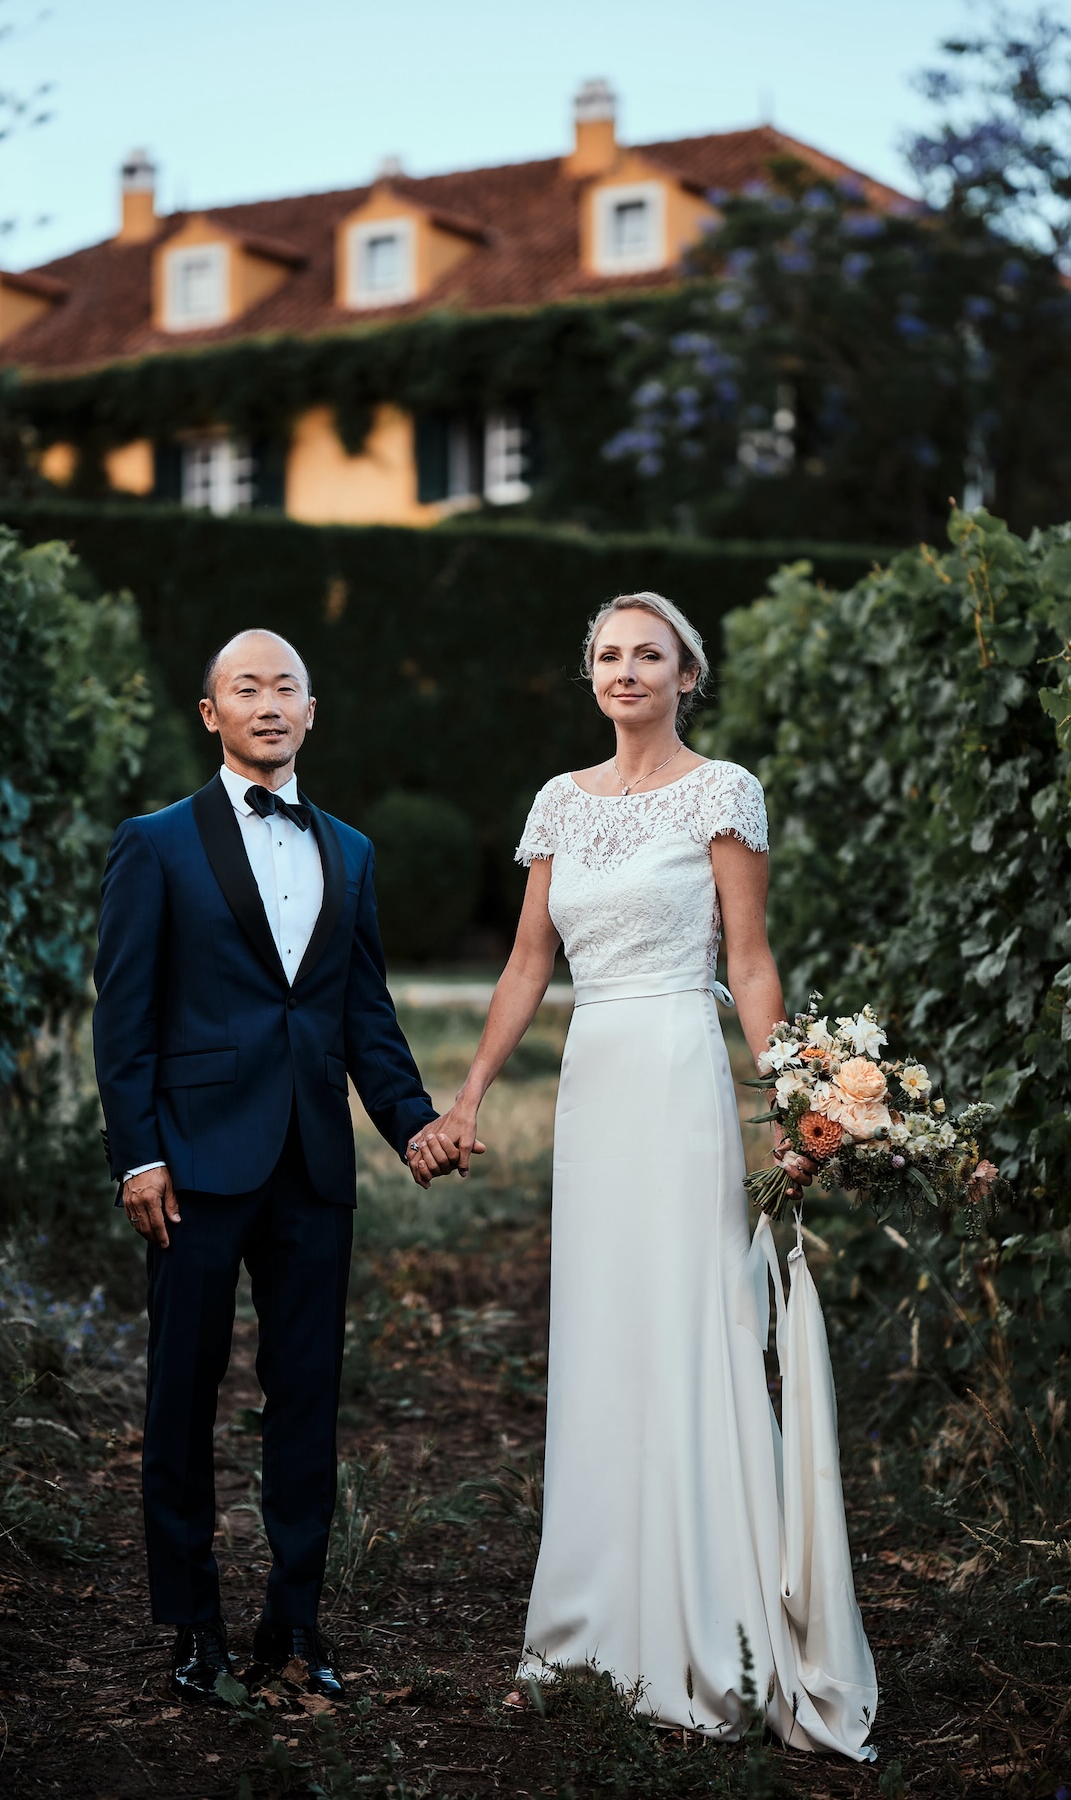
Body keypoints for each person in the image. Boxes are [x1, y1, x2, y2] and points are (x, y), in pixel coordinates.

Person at [414, 592, 878, 1759]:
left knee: (690, 1325)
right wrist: (467, 1096)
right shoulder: (558, 804)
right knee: (602, 1333)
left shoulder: (725, 791)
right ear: (592, 676)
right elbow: (526, 966)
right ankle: (585, 1627)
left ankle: (710, 1624)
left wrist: (790, 1099)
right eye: (610, 656)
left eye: (649, 655)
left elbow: (752, 961)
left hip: (677, 1068)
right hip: (593, 1080)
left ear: (687, 675)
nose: (627, 671)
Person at [93, 629, 462, 1705]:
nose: (267, 702)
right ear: (210, 714)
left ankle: (294, 1622)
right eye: (244, 688)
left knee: (306, 1396)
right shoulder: (154, 843)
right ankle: (192, 1623)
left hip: (312, 1161)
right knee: (182, 1395)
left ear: (312, 711)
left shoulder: (349, 849)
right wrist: (139, 1155)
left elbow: (364, 1014)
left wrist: (413, 1124)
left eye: (285, 687)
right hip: (193, 1165)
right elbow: (123, 1021)